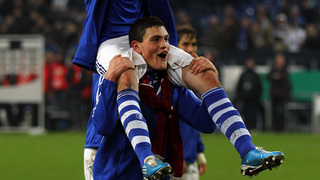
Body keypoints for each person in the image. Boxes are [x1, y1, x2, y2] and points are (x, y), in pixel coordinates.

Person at [90, 16, 285, 180]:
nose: (164, 45)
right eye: (155, 40)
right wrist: (107, 82)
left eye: (166, 39)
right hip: (116, 175)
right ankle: (147, 158)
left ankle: (248, 150)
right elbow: (103, 127)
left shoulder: (172, 86)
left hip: (158, 176)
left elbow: (206, 124)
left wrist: (210, 80)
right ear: (136, 47)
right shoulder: (117, 76)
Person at [176, 25, 207, 180]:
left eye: (193, 44)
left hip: (190, 160)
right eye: (185, 44)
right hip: (173, 161)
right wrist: (175, 155)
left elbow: (193, 122)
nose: (190, 49)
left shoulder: (193, 77)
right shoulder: (169, 81)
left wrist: (199, 151)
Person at [236, 58, 263, 131]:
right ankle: (246, 127)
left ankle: (253, 127)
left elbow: (259, 87)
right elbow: (239, 87)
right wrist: (240, 96)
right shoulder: (243, 75)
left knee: (253, 114)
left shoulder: (255, 75)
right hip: (244, 99)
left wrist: (257, 97)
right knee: (245, 113)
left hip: (253, 99)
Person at [267, 53, 291, 132]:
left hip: (282, 96)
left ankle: (281, 128)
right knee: (274, 112)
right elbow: (268, 77)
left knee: (281, 112)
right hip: (274, 95)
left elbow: (285, 81)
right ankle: (275, 127)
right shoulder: (273, 69)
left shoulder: (285, 70)